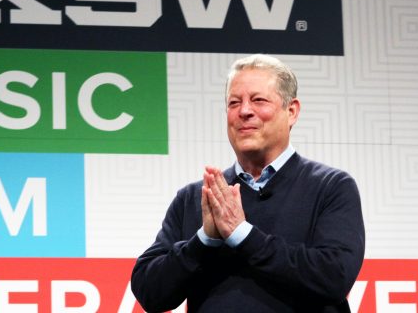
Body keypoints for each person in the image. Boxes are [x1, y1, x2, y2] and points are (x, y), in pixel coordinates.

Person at [131, 54, 365, 312]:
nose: (244, 111)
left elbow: (334, 277)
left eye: (258, 100)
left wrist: (242, 235)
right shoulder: (196, 198)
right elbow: (149, 291)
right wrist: (204, 241)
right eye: (234, 103)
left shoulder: (331, 187)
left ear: (292, 111)